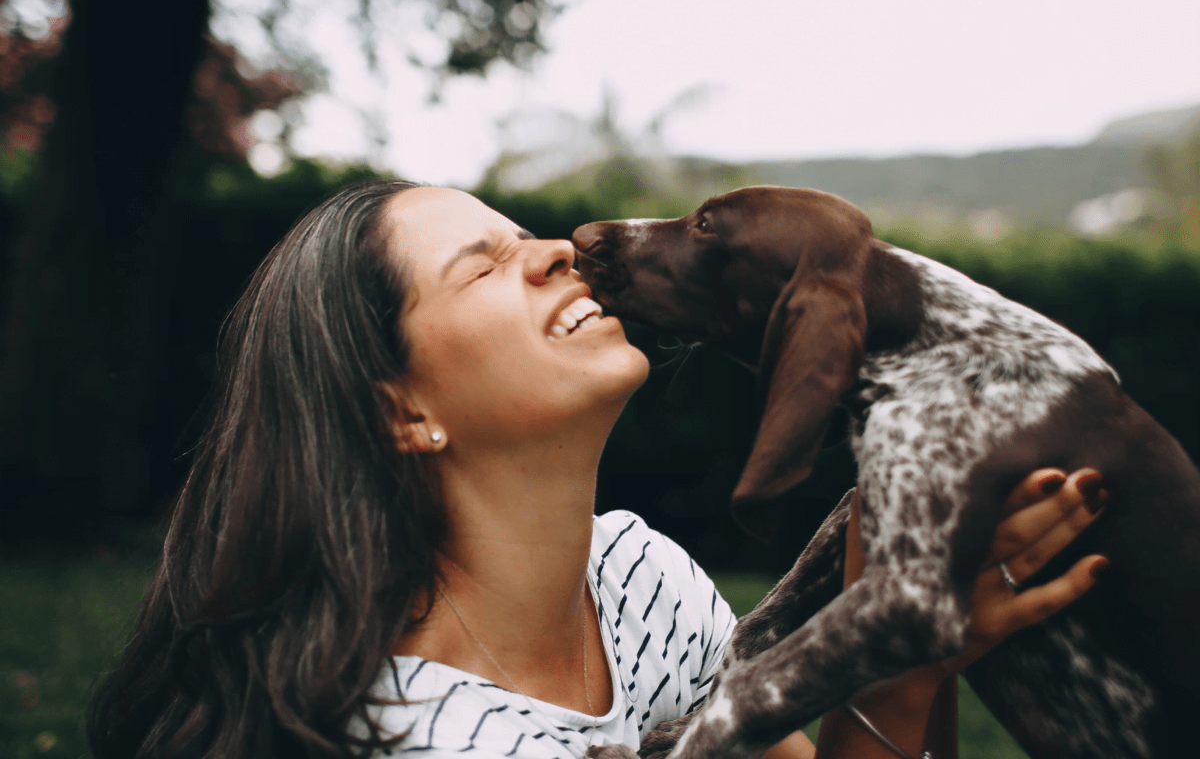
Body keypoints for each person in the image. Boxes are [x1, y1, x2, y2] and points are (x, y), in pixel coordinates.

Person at [87, 181, 1108, 759]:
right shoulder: (427, 738)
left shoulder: (637, 580)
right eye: (480, 265)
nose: (555, 250)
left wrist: (911, 641)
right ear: (401, 409)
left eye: (522, 230)